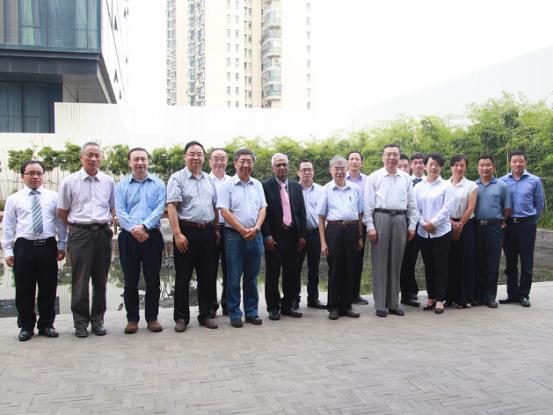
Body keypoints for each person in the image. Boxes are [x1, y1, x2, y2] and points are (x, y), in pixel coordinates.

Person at [2, 161, 67, 341]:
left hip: (48, 246)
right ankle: (26, 325)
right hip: (24, 247)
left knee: (48, 287)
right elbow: (8, 226)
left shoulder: (53, 197)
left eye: (39, 173)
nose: (35, 177)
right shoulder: (14, 199)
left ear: (43, 176)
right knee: (24, 289)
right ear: (22, 176)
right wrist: (8, 250)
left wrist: (62, 245)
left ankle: (46, 324)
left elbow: (60, 223)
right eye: (31, 173)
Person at [58, 142, 115, 338]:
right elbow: (62, 212)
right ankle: (80, 322)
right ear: (81, 157)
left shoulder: (108, 181)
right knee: (80, 281)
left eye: (97, 155)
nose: (93, 159)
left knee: (101, 280)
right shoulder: (69, 182)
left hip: (102, 233)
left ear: (101, 158)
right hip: (80, 234)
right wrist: (78, 227)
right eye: (89, 155)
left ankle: (98, 320)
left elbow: (112, 208)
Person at [167, 141, 219, 332]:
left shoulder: (209, 180)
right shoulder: (177, 178)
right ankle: (181, 317)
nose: (196, 157)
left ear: (204, 158)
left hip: (207, 231)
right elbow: (172, 206)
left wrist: (216, 229)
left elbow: (214, 206)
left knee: (207, 275)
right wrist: (177, 234)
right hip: (186, 232)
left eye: (199, 154)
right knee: (183, 276)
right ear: (185, 156)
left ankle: (206, 314)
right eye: (192, 154)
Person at [115, 148, 166, 334]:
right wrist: (134, 229)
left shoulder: (158, 184)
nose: (140, 163)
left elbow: (160, 209)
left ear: (148, 161)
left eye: (143, 159)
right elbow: (120, 211)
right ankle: (132, 319)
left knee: (153, 280)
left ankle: (152, 318)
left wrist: (144, 226)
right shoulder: (121, 186)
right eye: (136, 159)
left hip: (152, 235)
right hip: (128, 236)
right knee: (130, 280)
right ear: (129, 162)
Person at [364, 144, 418, 317]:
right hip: (381, 218)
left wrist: (412, 225)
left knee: (396, 263)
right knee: (380, 264)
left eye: (395, 154)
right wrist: (370, 226)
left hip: (400, 219)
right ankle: (381, 304)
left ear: (399, 157)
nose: (392, 158)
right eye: (388, 154)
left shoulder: (405, 178)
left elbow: (412, 204)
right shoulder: (374, 177)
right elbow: (368, 205)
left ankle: (394, 303)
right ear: (383, 157)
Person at [217, 149, 267, 328]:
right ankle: (234, 313)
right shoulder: (227, 185)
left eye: (249, 161)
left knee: (252, 276)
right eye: (242, 161)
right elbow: (224, 211)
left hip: (255, 235)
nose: (246, 165)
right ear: (235, 163)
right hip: (234, 236)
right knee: (233, 276)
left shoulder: (257, 184)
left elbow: (263, 208)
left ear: (253, 164)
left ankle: (252, 312)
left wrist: (256, 228)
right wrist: (242, 230)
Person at [318, 156, 364, 320]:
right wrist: (323, 242)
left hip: (352, 229)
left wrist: (360, 236)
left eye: (342, 168)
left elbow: (360, 214)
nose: (339, 171)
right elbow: (321, 217)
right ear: (331, 170)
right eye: (336, 168)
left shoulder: (354, 188)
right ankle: (333, 306)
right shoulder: (326, 189)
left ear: (346, 169)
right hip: (334, 230)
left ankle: (346, 305)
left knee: (350, 268)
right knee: (335, 268)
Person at [262, 153, 307, 320]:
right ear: (273, 168)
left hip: (293, 236)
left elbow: (301, 211)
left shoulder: (296, 186)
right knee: (273, 273)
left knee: (292, 273)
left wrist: (302, 235)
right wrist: (267, 236)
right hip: (275, 237)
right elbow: (263, 214)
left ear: (288, 167)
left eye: (284, 164)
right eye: (278, 165)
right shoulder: (265, 186)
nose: (282, 168)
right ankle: (273, 307)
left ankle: (288, 305)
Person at [499, 150, 544, 307]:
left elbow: (539, 204)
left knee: (527, 261)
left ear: (525, 162)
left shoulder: (534, 180)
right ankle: (512, 294)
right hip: (509, 225)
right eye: (514, 161)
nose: (517, 164)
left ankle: (524, 294)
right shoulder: (502, 181)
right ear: (510, 163)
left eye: (520, 161)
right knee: (510, 261)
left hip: (527, 225)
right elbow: (500, 204)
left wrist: (531, 220)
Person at [414, 153, 457, 314]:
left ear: (441, 168)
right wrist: (424, 224)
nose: (433, 167)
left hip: (441, 232)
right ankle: (431, 297)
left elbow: (447, 209)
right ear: (425, 166)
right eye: (431, 164)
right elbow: (414, 208)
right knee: (428, 265)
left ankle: (440, 299)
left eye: (437, 165)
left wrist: (433, 223)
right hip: (423, 232)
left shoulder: (447, 186)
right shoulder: (418, 187)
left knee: (441, 265)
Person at [473, 155, 511, 308]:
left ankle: (490, 296)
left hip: (494, 228)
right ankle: (477, 296)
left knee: (492, 263)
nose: (485, 168)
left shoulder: (502, 186)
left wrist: (501, 221)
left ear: (493, 167)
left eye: (488, 165)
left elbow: (507, 208)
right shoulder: (473, 186)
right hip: (476, 227)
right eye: (482, 165)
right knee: (477, 262)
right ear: (477, 168)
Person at [446, 155, 478, 308]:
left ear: (466, 167)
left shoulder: (471, 185)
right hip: (446, 224)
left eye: (462, 165)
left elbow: (470, 208)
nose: (459, 168)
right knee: (448, 261)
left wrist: (459, 226)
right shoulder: (444, 184)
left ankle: (463, 298)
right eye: (456, 165)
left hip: (466, 225)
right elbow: (441, 207)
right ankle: (448, 297)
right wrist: (452, 224)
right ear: (451, 167)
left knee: (465, 262)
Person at [297, 159, 326, 309]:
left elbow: (325, 213)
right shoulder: (293, 189)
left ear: (313, 172)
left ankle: (313, 298)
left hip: (315, 233)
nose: (307, 172)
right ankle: (294, 298)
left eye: (309, 169)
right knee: (295, 267)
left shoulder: (321, 190)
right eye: (304, 170)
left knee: (314, 267)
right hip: (297, 235)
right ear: (298, 172)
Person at [399, 152, 426, 307]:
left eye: (421, 162)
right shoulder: (403, 182)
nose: (418, 165)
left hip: (428, 227)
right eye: (415, 162)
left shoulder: (430, 181)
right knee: (408, 261)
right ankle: (408, 293)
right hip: (409, 226)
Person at [208, 148, 233, 316]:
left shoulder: (232, 181)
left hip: (230, 229)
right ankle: (211, 305)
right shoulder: (204, 180)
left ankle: (227, 303)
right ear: (210, 161)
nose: (219, 162)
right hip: (210, 229)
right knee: (209, 268)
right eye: (215, 159)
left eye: (222, 158)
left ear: (227, 161)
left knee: (230, 268)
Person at [346, 150, 369, 305]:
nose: (354, 161)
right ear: (347, 162)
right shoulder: (341, 178)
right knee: (343, 260)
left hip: (361, 224)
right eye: (351, 159)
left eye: (357, 159)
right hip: (343, 224)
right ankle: (343, 294)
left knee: (358, 260)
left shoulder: (368, 180)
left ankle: (355, 294)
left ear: (362, 162)